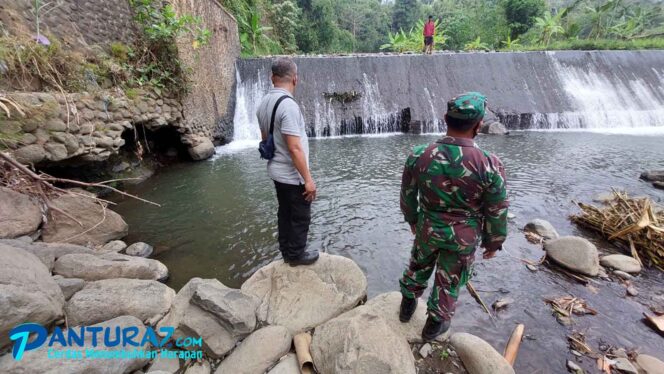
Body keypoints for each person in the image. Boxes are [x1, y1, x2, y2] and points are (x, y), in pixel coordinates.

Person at [398, 92, 509, 341]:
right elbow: (497, 209)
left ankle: (406, 306)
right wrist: (494, 242)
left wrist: (413, 220)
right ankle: (433, 326)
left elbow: (407, 195)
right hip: (464, 234)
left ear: (445, 118)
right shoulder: (490, 164)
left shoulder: (419, 155)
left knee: (418, 265)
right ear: (479, 125)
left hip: (427, 226)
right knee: (450, 278)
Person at [257, 57, 319, 266]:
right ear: (295, 79)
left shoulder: (264, 103)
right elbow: (294, 147)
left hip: (275, 170)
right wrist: (308, 179)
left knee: (284, 212)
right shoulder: (289, 106)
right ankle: (296, 255)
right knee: (300, 216)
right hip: (292, 175)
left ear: (272, 78)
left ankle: (286, 251)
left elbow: (266, 139)